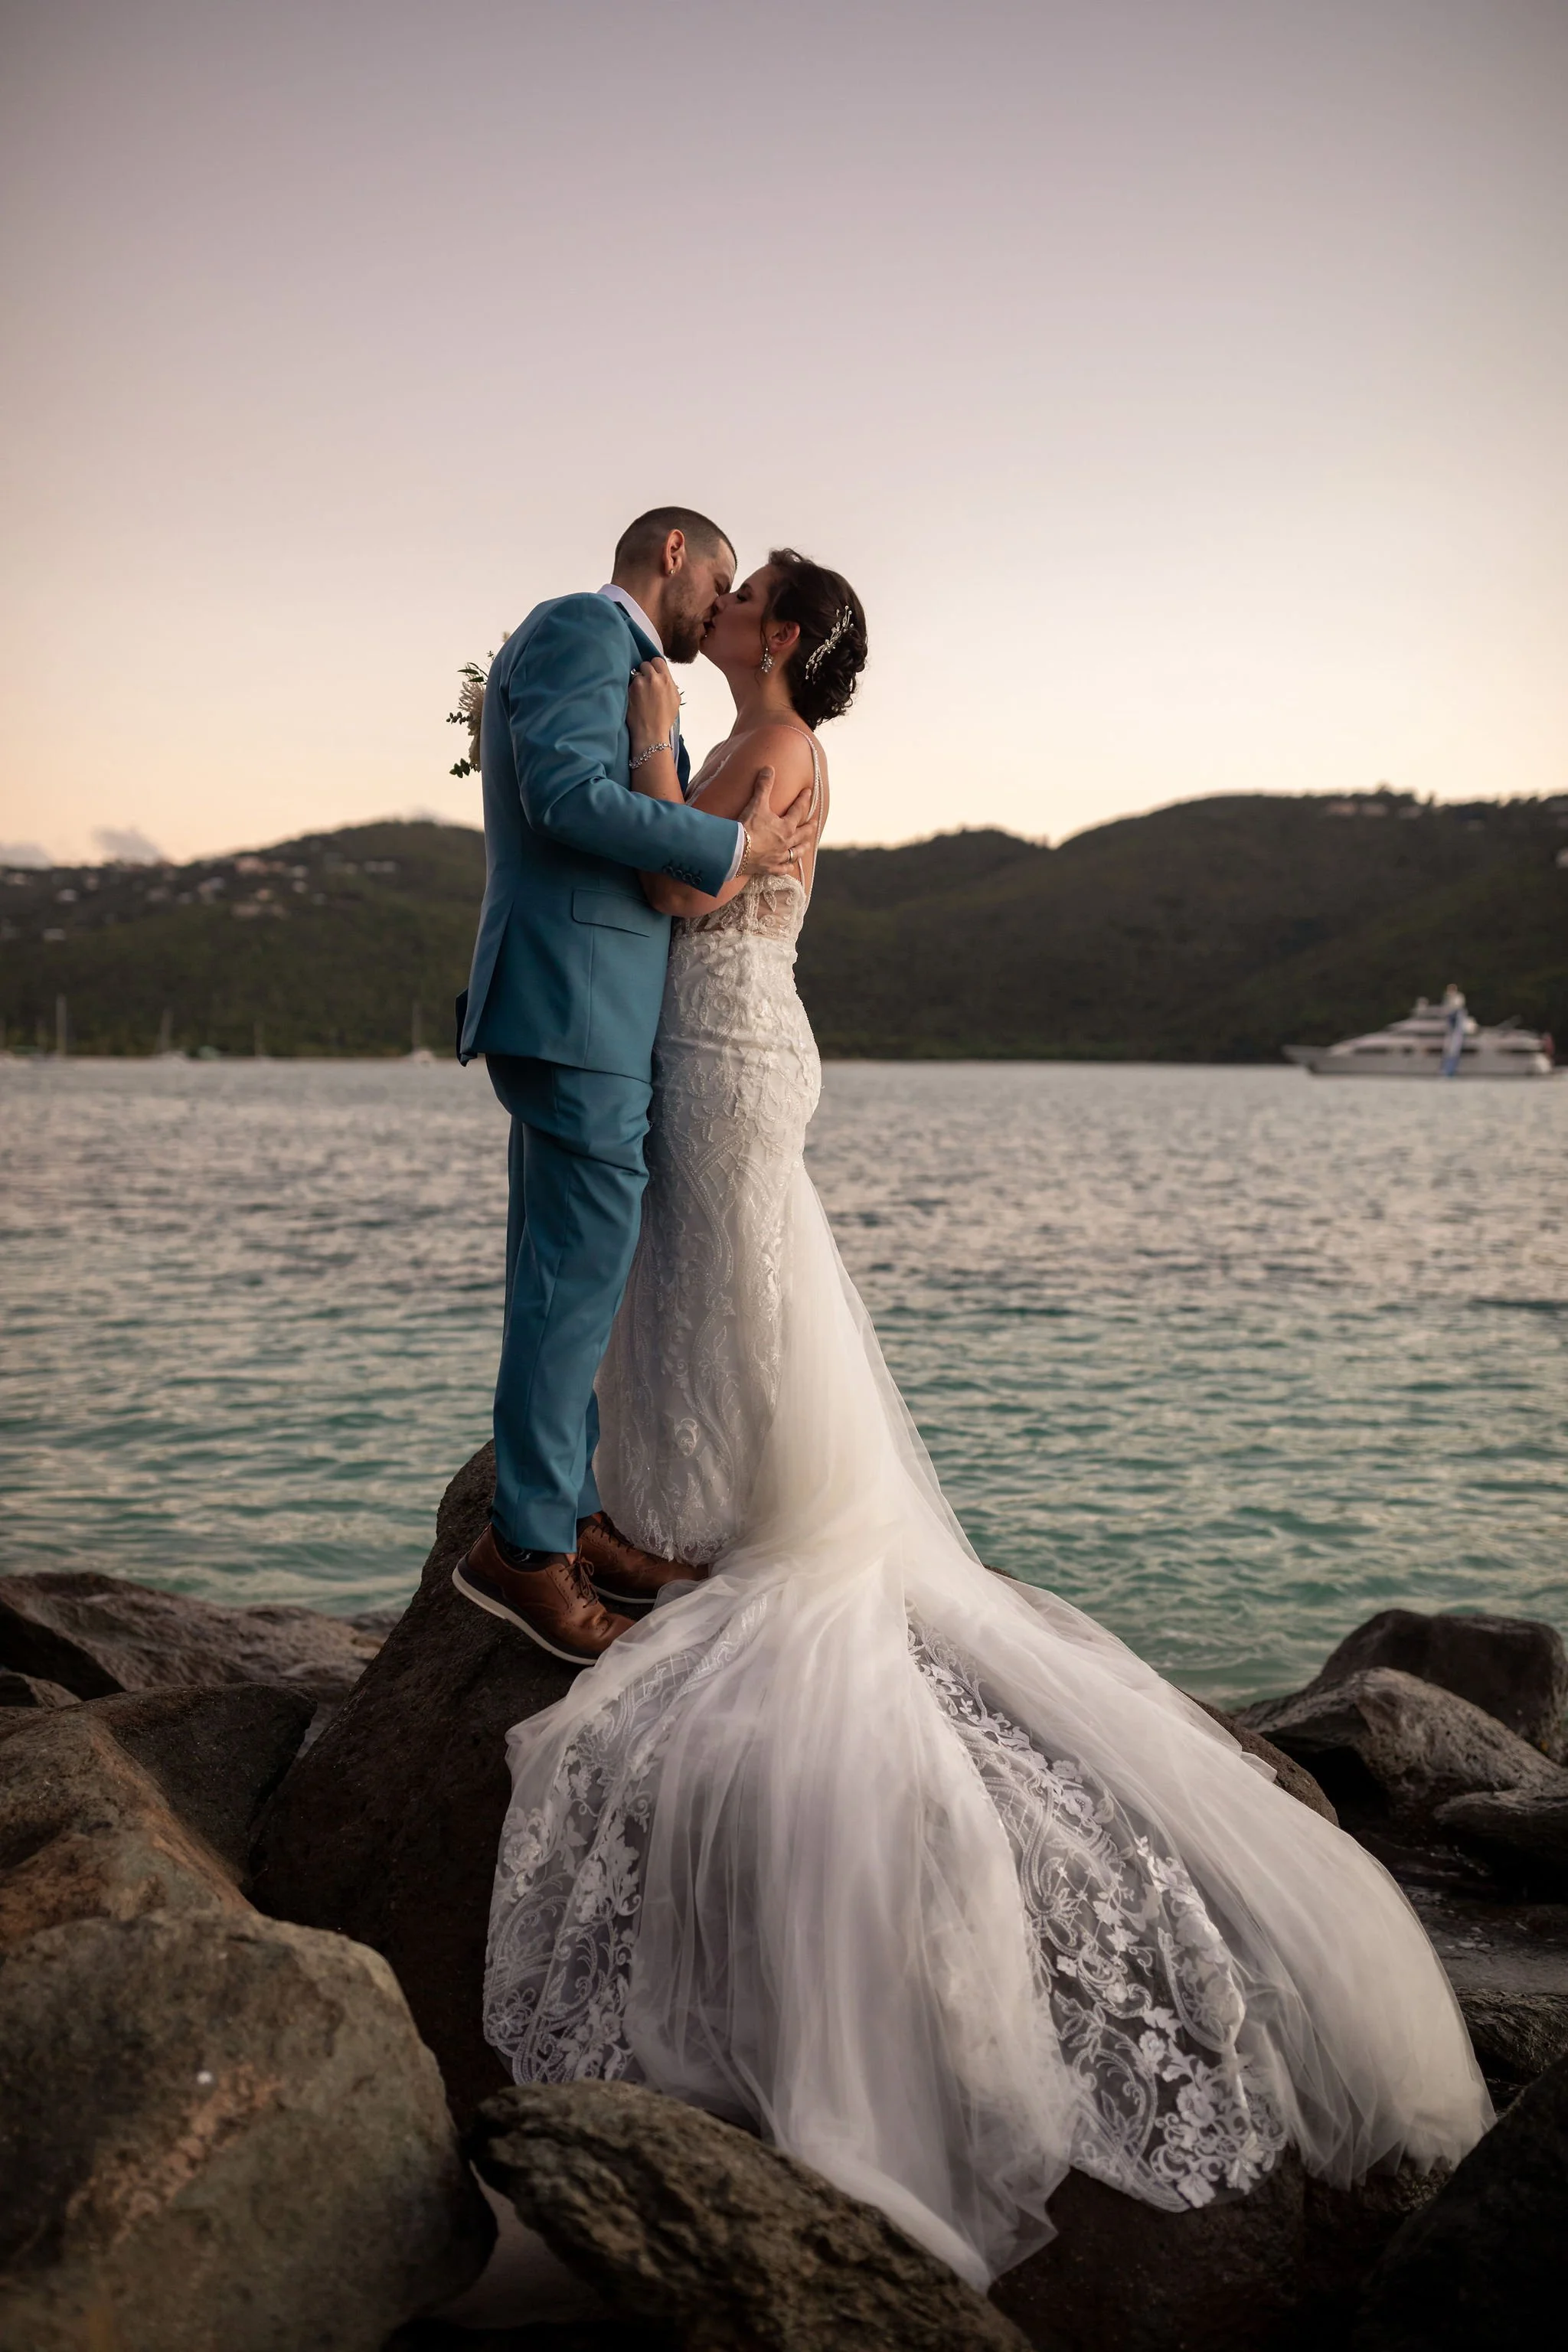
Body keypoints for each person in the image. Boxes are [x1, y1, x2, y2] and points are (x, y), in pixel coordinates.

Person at [482, 550, 1490, 2292]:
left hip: (721, 1044)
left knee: (734, 1279)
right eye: (709, 599)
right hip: (703, 1050)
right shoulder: (756, 731)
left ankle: (708, 1514)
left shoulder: (765, 747)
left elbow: (686, 902)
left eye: (740, 604)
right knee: (711, 1287)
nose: (714, 618)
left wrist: (645, 743)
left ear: (777, 637)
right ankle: (670, 1501)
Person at [452, 509, 815, 1665]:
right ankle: (524, 1556)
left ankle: (566, 1517)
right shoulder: (580, 631)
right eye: (716, 578)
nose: (718, 605)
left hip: (593, 1009)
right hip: (578, 1003)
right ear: (672, 556)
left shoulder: (630, 667)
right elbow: (562, 797)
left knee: (570, 1278)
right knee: (575, 1283)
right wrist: (733, 852)